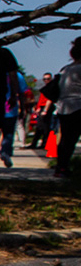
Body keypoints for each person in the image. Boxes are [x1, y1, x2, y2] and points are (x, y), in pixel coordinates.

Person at [50, 39, 81, 179]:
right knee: (70, 139)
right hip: (78, 106)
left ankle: (61, 166)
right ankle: (63, 166)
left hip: (63, 107)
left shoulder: (65, 69)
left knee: (66, 139)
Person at [29, 72, 54, 149]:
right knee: (39, 126)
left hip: (47, 107)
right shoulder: (44, 88)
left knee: (45, 127)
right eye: (44, 79)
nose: (46, 80)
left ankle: (44, 143)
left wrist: (45, 110)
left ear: (51, 79)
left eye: (48, 79)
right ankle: (35, 143)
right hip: (42, 107)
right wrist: (38, 108)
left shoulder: (51, 88)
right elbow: (41, 99)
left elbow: (50, 99)